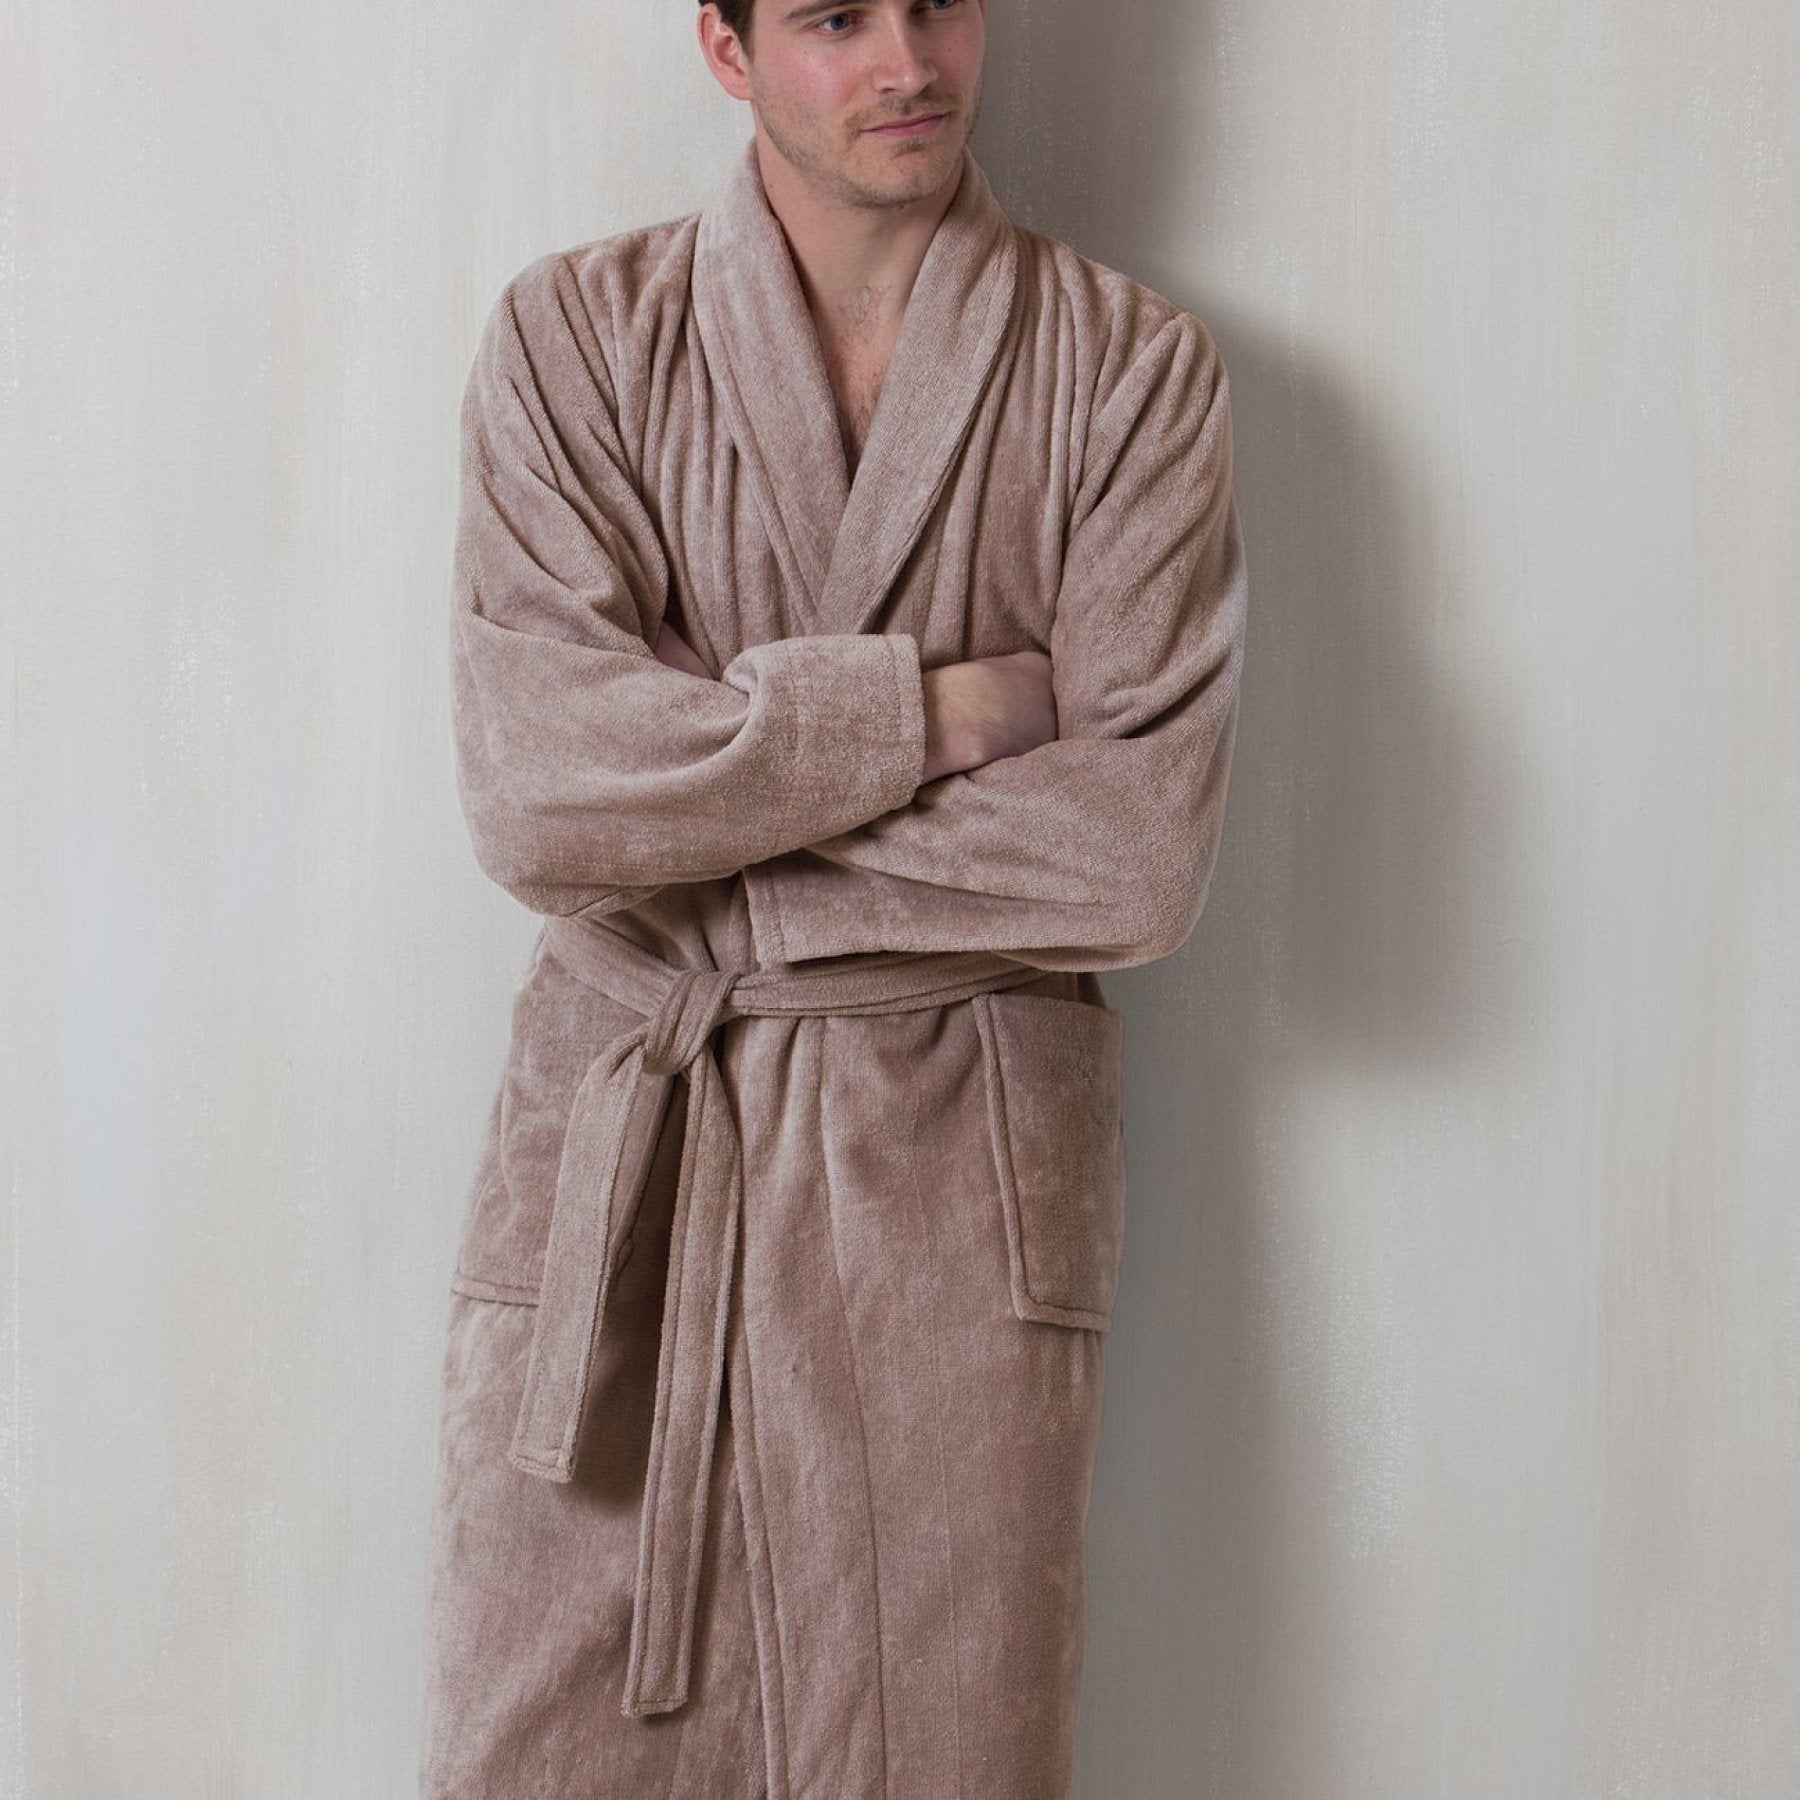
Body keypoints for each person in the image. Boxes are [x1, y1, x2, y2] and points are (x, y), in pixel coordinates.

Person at [418, 0, 1249, 1793]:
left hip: (948, 1200)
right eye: (833, 19)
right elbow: (536, 789)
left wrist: (703, 808)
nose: (909, 63)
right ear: (725, 48)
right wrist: (931, 719)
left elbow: (1132, 854)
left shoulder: (1127, 373)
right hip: (632, 1184)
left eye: (940, 1)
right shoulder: (577, 345)